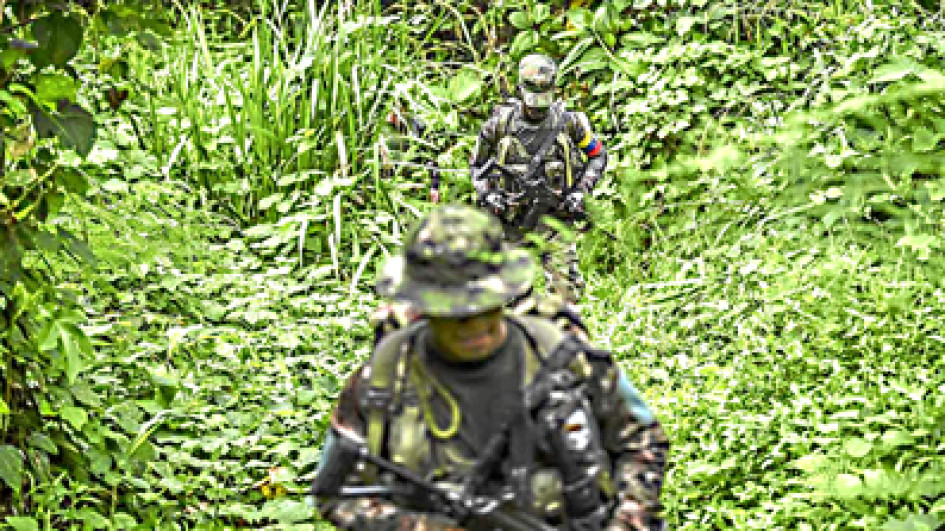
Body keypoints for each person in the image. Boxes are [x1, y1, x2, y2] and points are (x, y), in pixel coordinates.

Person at [314, 205, 668, 530]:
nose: (471, 326)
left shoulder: (560, 356)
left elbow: (643, 442)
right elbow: (335, 493)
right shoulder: (386, 375)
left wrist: (627, 521)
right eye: (453, 313)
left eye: (483, 307)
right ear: (423, 308)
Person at [469, 54, 608, 304]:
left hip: (555, 220)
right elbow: (477, 167)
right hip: (511, 222)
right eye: (532, 98)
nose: (536, 107)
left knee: (566, 296)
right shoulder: (499, 125)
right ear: (520, 90)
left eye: (543, 98)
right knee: (511, 300)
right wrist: (489, 194)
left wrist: (580, 191)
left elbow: (597, 156)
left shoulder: (569, 123)